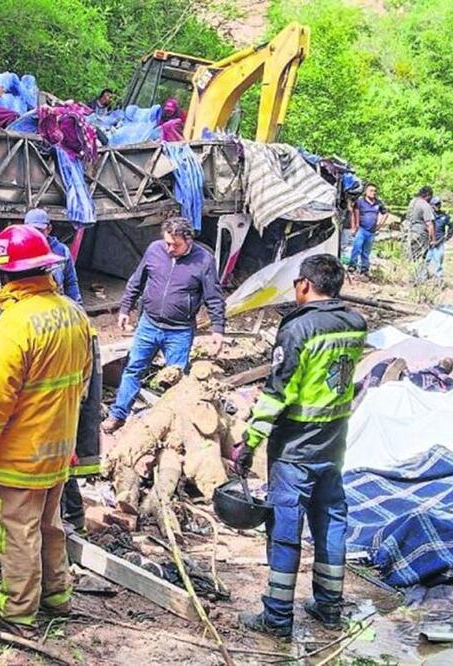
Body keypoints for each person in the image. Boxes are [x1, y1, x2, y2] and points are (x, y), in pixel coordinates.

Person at [0, 224, 93, 639]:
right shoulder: (73, 313)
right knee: (51, 526)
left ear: (4, 274)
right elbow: (84, 382)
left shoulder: (15, 324)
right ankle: (57, 596)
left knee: (16, 532)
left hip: (19, 454)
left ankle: (17, 611)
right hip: (58, 449)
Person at [235, 254, 366, 638]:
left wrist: (250, 442)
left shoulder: (298, 329)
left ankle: (276, 617)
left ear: (304, 285)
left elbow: (278, 393)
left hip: (296, 447)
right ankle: (329, 606)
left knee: (285, 529)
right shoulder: (356, 324)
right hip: (334, 443)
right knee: (330, 523)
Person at [102, 217, 226, 434]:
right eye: (167, 243)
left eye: (175, 245)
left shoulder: (204, 260)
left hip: (179, 331)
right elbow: (136, 281)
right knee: (133, 370)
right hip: (148, 324)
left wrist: (218, 329)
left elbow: (214, 296)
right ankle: (117, 415)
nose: (170, 248)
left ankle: (173, 426)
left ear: (189, 240)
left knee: (176, 379)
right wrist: (125, 308)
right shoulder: (155, 250)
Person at [23, 208, 102, 532]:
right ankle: (67, 516)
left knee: (59, 454)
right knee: (60, 453)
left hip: (55, 402)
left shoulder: (60, 255)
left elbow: (73, 290)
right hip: (60, 399)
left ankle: (68, 515)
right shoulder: (35, 323)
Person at [23, 208, 82, 304]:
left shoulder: (62, 251)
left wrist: (77, 305)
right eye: (31, 231)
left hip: (56, 303)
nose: (36, 235)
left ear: (49, 229)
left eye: (40, 231)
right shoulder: (19, 251)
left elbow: (70, 282)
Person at [347, 183, 387, 276]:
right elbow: (354, 213)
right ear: (366, 192)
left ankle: (364, 269)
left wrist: (379, 225)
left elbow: (385, 213)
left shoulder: (378, 203)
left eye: (375, 191)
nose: (373, 193)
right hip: (361, 229)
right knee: (357, 247)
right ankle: (352, 265)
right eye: (371, 190)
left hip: (371, 231)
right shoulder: (360, 202)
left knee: (366, 251)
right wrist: (354, 227)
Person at [404, 186, 436, 283]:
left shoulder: (412, 202)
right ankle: (417, 279)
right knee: (420, 258)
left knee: (411, 256)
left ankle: (409, 276)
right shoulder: (425, 205)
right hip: (421, 234)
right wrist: (433, 239)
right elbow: (429, 224)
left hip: (410, 232)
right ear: (428, 195)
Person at [427, 197, 448, 282]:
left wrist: (446, 237)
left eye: (439, 204)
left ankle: (439, 280)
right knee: (426, 260)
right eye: (436, 204)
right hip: (428, 242)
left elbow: (451, 227)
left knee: (439, 261)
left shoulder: (444, 216)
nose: (438, 206)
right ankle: (422, 278)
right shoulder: (428, 215)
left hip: (439, 242)